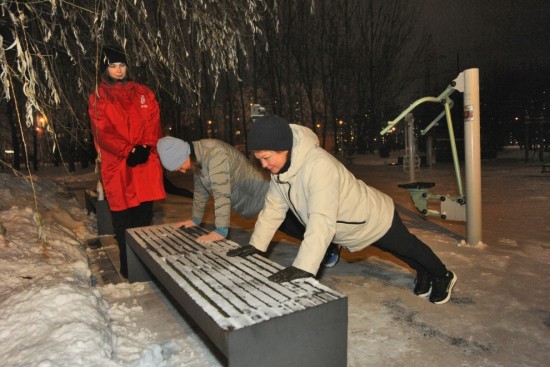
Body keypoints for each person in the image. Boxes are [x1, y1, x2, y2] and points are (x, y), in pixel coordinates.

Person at [227, 115, 457, 305]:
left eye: (266, 158)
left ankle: (442, 275)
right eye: (259, 160)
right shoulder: (281, 172)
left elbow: (321, 220)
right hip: (353, 225)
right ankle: (424, 272)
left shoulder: (319, 166)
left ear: (283, 148)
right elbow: (273, 208)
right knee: (399, 252)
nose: (264, 166)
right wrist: (256, 244)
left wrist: (303, 267)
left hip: (372, 217)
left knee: (407, 248)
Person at [156, 136, 340, 266]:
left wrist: (220, 230)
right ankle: (326, 239)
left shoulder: (213, 153)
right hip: (248, 201)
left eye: (179, 166)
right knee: (289, 226)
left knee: (291, 225)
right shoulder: (198, 158)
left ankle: (330, 245)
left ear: (183, 155)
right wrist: (195, 219)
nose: (180, 171)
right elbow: (201, 191)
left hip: (260, 195)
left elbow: (221, 193)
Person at [88, 46, 166, 278]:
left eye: (122, 65)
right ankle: (128, 266)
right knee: (123, 220)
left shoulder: (143, 92)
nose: (119, 70)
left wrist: (144, 147)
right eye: (113, 65)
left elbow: (154, 123)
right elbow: (102, 131)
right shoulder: (98, 97)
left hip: (144, 164)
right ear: (105, 68)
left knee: (143, 218)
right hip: (118, 167)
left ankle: (143, 266)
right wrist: (127, 150)